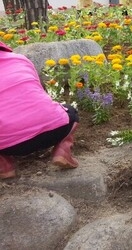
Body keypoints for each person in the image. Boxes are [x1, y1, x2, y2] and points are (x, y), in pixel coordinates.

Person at [0, 41, 80, 179]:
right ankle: (62, 151)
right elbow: (39, 92)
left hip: (9, 146)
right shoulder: (20, 59)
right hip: (54, 130)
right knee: (70, 111)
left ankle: (5, 165)